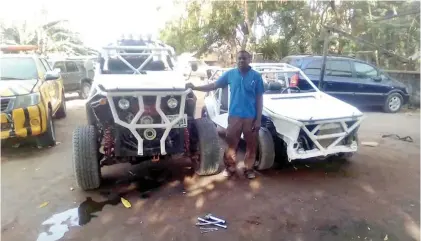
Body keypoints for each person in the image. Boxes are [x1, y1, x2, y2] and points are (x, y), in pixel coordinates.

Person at [185, 50, 264, 179]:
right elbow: (214, 85)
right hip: (234, 116)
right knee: (232, 144)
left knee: (251, 145)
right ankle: (230, 167)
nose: (241, 61)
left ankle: (249, 169)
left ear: (249, 59)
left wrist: (258, 119)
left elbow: (259, 99)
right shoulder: (230, 74)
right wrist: (195, 87)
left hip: (251, 117)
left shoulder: (256, 77)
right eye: (239, 58)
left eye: (244, 58)